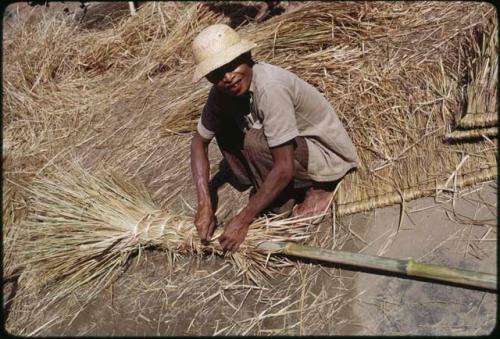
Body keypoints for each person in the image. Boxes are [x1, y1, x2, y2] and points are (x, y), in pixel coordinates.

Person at [190, 24, 359, 251]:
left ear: (247, 57)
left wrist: (243, 219)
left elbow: (285, 167)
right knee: (224, 129)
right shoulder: (221, 94)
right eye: (217, 74)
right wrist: (205, 203)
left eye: (232, 65)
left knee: (254, 142)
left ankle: (317, 190)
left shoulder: (270, 87)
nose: (228, 77)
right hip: (287, 153)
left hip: (327, 155)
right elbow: (198, 143)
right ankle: (276, 194)